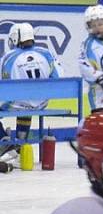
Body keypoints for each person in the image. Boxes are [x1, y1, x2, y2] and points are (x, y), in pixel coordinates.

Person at [0, 22, 63, 166]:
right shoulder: (46, 53)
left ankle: (4, 140)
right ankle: (21, 142)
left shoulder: (9, 57)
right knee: (27, 105)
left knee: (19, 103)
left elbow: (3, 81)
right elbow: (58, 76)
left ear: (16, 38)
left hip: (18, 102)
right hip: (41, 102)